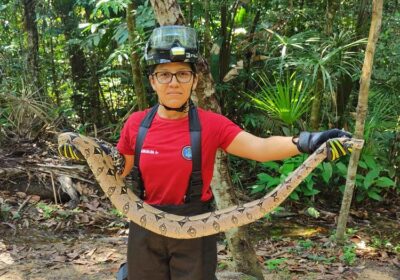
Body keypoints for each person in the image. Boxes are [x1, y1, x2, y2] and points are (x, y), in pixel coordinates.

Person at [59, 25, 351, 280]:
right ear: (153, 81)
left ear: (195, 81)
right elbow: (121, 169)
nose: (174, 82)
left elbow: (260, 148)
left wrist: (310, 141)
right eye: (164, 75)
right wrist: (90, 155)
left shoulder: (212, 125)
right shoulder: (136, 123)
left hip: (196, 227)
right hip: (144, 223)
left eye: (183, 74)